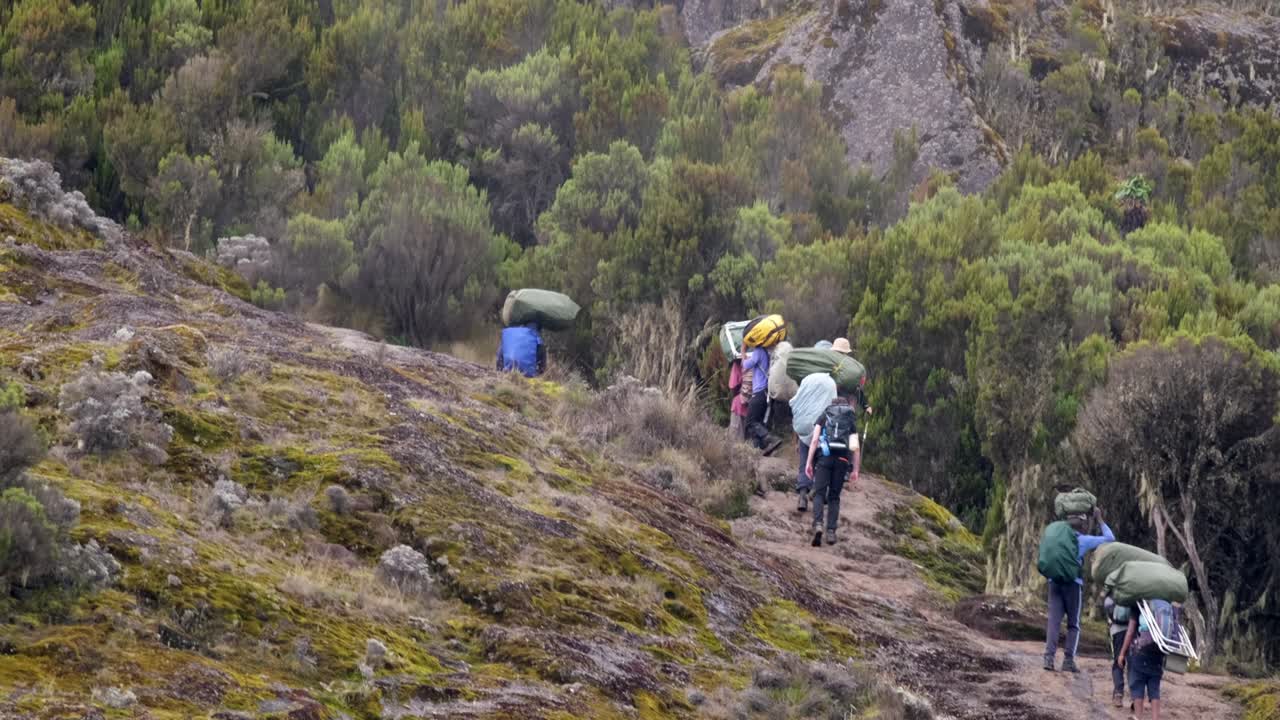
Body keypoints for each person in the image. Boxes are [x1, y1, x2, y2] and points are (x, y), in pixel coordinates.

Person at [1044, 506, 1115, 672]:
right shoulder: (1082, 540)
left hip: (1053, 581)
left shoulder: (1057, 538)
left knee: (1054, 621)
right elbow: (1110, 538)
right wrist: (1099, 519)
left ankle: (1048, 659)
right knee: (1073, 624)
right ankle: (1068, 661)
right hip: (1073, 584)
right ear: (1081, 525)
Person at [804, 392, 861, 546]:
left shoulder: (825, 415)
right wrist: (855, 469)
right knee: (834, 496)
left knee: (819, 493)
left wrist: (808, 462)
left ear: (832, 405)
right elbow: (855, 448)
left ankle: (818, 525)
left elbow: (815, 440)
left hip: (824, 458)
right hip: (842, 460)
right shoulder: (850, 419)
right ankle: (831, 532)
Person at [789, 373, 837, 512]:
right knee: (823, 463)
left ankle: (802, 497)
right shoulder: (830, 383)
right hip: (822, 429)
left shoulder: (807, 379)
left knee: (805, 462)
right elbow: (832, 407)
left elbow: (797, 401)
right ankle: (820, 492)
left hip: (805, 426)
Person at [1118, 601, 1171, 720]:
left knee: (1137, 685)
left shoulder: (1138, 605)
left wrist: (1122, 653)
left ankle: (1138, 717)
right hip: (1159, 652)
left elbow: (1131, 631)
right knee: (1154, 687)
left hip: (1141, 652)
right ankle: (1155, 718)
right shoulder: (1164, 604)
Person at [742, 342, 779, 452]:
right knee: (757, 421)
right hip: (765, 393)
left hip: (759, 392)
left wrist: (743, 351)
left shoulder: (758, 351)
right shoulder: (767, 352)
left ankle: (770, 438)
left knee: (750, 422)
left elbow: (746, 365)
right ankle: (759, 448)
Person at [1103, 593, 1129, 707]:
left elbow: (1107, 606)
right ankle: (1136, 698)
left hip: (1118, 630)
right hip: (1135, 629)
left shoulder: (1114, 588)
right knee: (1134, 664)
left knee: (1118, 661)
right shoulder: (1136, 587)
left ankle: (1118, 694)